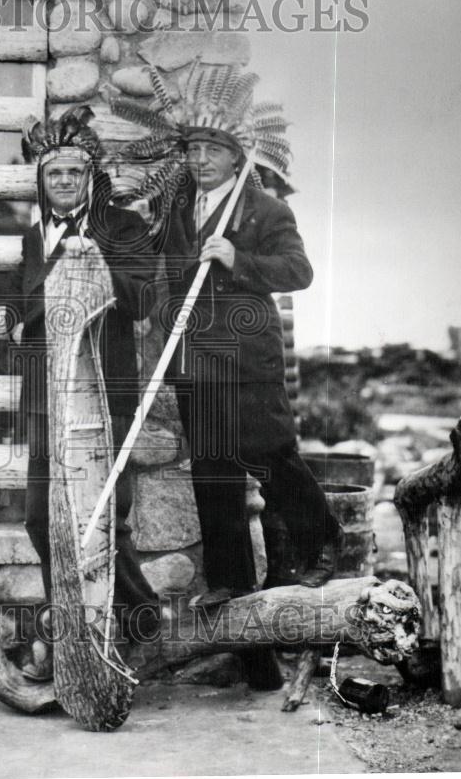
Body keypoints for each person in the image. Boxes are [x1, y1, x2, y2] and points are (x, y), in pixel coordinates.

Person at [109, 63, 343, 610]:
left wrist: (239, 259)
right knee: (213, 472)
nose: (200, 161)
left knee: (269, 455)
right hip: (195, 360)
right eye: (192, 150)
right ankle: (231, 580)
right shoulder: (177, 213)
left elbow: (299, 272)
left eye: (212, 150)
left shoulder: (266, 210)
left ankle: (322, 539)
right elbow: (165, 274)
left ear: (237, 156)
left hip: (247, 358)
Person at [12, 106, 161, 679]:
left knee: (104, 516)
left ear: (89, 176)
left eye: (75, 173)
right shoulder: (34, 238)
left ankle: (134, 621)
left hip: (102, 394)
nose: (65, 183)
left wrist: (98, 267)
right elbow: (20, 307)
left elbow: (144, 298)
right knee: (39, 517)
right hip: (47, 399)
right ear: (41, 180)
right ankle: (71, 622)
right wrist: (29, 306)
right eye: (55, 174)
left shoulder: (119, 228)